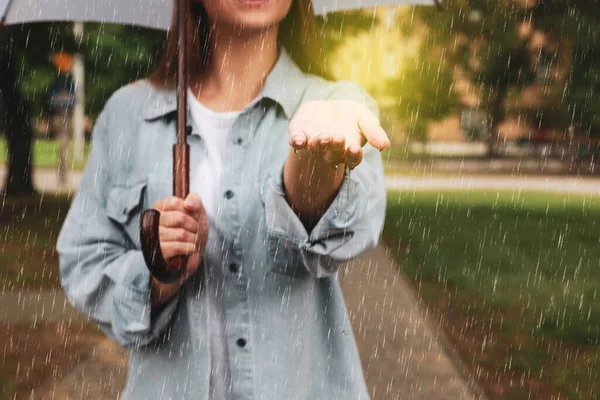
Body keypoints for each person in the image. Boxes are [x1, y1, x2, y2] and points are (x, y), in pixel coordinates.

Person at [57, 1, 389, 399]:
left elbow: (338, 239)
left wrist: (314, 161)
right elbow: (84, 260)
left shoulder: (338, 109)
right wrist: (161, 269)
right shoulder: (127, 114)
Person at [47, 53, 76, 186]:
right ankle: (62, 174)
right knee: (63, 146)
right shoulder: (61, 82)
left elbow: (73, 100)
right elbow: (53, 101)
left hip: (64, 116)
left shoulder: (66, 82)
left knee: (63, 147)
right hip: (61, 117)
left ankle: (62, 174)